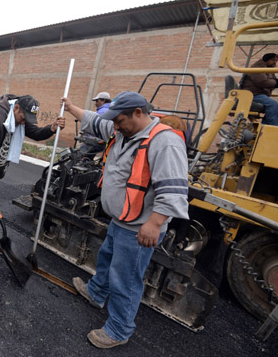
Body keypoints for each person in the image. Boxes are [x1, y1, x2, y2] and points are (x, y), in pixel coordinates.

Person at [61, 91, 189, 349]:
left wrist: (154, 224)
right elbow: (95, 121)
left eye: (119, 121)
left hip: (139, 226)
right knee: (107, 258)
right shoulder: (123, 130)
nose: (115, 126)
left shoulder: (164, 142)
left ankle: (119, 329)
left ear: (138, 113)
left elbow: (173, 190)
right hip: (122, 219)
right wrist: (70, 106)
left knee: (126, 278)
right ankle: (96, 292)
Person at [0, 94, 66, 255]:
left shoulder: (18, 116)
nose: (23, 123)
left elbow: (35, 132)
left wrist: (51, 128)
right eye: (23, 119)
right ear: (16, 108)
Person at [240, 53, 278, 126]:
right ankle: (275, 127)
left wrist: (277, 83)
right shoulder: (257, 68)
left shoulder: (268, 69)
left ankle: (266, 127)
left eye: (276, 61)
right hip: (252, 94)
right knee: (272, 104)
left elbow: (272, 83)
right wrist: (277, 82)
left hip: (260, 94)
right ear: (266, 59)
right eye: (273, 60)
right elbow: (263, 82)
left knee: (277, 108)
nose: (274, 63)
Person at [79, 92, 111, 159]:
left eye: (97, 100)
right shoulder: (108, 110)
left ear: (103, 100)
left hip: (96, 142)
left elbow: (96, 126)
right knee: (88, 158)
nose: (95, 103)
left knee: (79, 155)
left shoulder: (103, 111)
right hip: (100, 142)